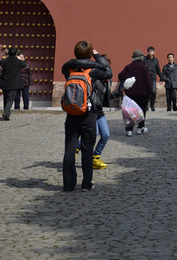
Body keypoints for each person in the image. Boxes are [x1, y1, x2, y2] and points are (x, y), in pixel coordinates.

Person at [60, 40, 112, 192]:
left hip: (71, 113)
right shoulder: (93, 71)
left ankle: (68, 185)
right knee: (87, 149)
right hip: (89, 114)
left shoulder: (69, 69)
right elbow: (108, 72)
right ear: (90, 54)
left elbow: (65, 68)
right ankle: (86, 184)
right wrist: (97, 57)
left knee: (69, 150)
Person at [118, 50, 152, 136]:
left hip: (130, 93)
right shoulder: (144, 67)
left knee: (130, 111)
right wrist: (150, 92)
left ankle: (129, 130)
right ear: (141, 57)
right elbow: (148, 81)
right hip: (142, 93)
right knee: (141, 111)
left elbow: (120, 75)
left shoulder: (128, 67)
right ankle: (140, 128)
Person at [0, 48, 27, 121]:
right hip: (13, 83)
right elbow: (24, 64)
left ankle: (6, 113)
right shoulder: (18, 61)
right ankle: (6, 113)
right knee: (10, 99)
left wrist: (6, 56)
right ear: (15, 54)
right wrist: (18, 57)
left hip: (5, 82)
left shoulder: (5, 61)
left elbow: (0, 63)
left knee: (5, 99)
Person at [144, 46, 162, 112]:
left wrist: (161, 77)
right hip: (145, 79)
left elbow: (158, 70)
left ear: (154, 52)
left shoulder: (156, 60)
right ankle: (146, 105)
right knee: (146, 93)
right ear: (147, 52)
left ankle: (152, 105)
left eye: (151, 51)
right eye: (149, 51)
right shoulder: (144, 59)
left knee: (153, 92)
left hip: (153, 78)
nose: (150, 52)